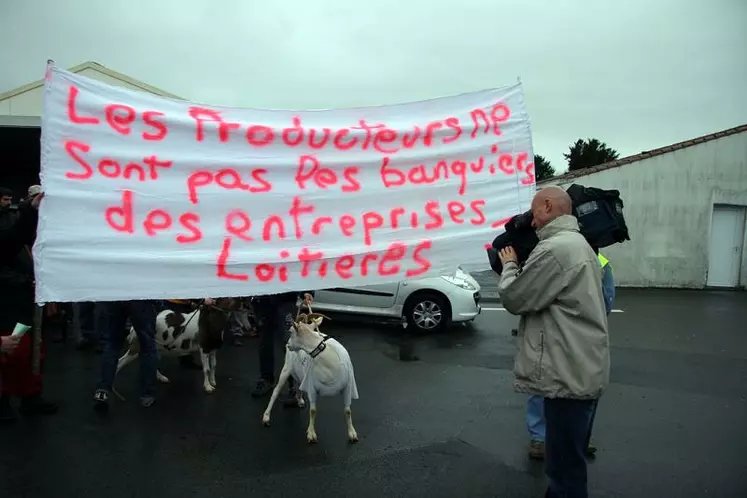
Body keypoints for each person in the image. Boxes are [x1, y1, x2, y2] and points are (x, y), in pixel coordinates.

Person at [498, 186, 610, 498]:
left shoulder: (555, 250)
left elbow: (515, 296)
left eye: (534, 213)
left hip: (567, 374)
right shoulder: (580, 244)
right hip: (580, 367)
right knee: (567, 465)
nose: (531, 222)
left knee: (563, 470)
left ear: (547, 206)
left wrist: (509, 264)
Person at [525, 251, 616, 460]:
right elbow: (607, 303)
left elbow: (525, 297)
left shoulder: (546, 253)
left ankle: (540, 439)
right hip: (583, 338)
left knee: (542, 382)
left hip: (547, 333)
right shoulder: (600, 261)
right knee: (579, 387)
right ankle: (577, 438)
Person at [0, 188, 58, 422]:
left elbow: (12, 243)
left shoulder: (14, 222)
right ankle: (3, 401)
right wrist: (25, 281)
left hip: (27, 301)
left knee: (34, 350)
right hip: (8, 302)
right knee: (12, 353)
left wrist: (30, 213)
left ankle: (30, 396)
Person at [251, 291, 314, 401]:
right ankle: (266, 379)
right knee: (264, 343)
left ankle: (294, 385)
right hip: (263, 301)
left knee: (289, 343)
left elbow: (298, 272)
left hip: (285, 301)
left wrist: (307, 291)